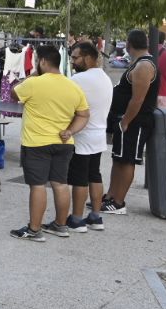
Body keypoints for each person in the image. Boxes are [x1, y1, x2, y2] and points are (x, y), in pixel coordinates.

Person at [9, 45, 89, 241]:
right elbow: (84, 114)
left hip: (36, 143)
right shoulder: (73, 86)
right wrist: (70, 130)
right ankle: (60, 225)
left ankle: (34, 230)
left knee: (37, 185)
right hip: (64, 142)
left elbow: (13, 93)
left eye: (37, 61)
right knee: (60, 184)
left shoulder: (34, 83)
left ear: (43, 61)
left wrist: (32, 75)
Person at [101, 29, 157, 215]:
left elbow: (137, 99)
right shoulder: (138, 64)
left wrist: (125, 121)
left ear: (129, 44)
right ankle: (110, 197)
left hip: (135, 121)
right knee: (118, 158)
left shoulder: (144, 66)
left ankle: (118, 202)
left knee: (127, 160)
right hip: (126, 120)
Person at [66, 41, 112, 233]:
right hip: (99, 133)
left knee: (79, 178)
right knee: (94, 174)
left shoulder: (79, 79)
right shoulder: (105, 77)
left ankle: (77, 219)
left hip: (82, 135)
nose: (72, 61)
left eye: (75, 58)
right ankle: (95, 216)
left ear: (88, 57)